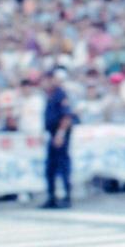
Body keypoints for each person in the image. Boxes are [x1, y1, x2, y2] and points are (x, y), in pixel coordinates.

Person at [42, 67, 75, 209]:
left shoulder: (60, 95)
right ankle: (52, 197)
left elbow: (66, 116)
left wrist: (60, 134)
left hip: (60, 134)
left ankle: (66, 197)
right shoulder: (49, 96)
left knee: (62, 165)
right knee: (51, 167)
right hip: (52, 133)